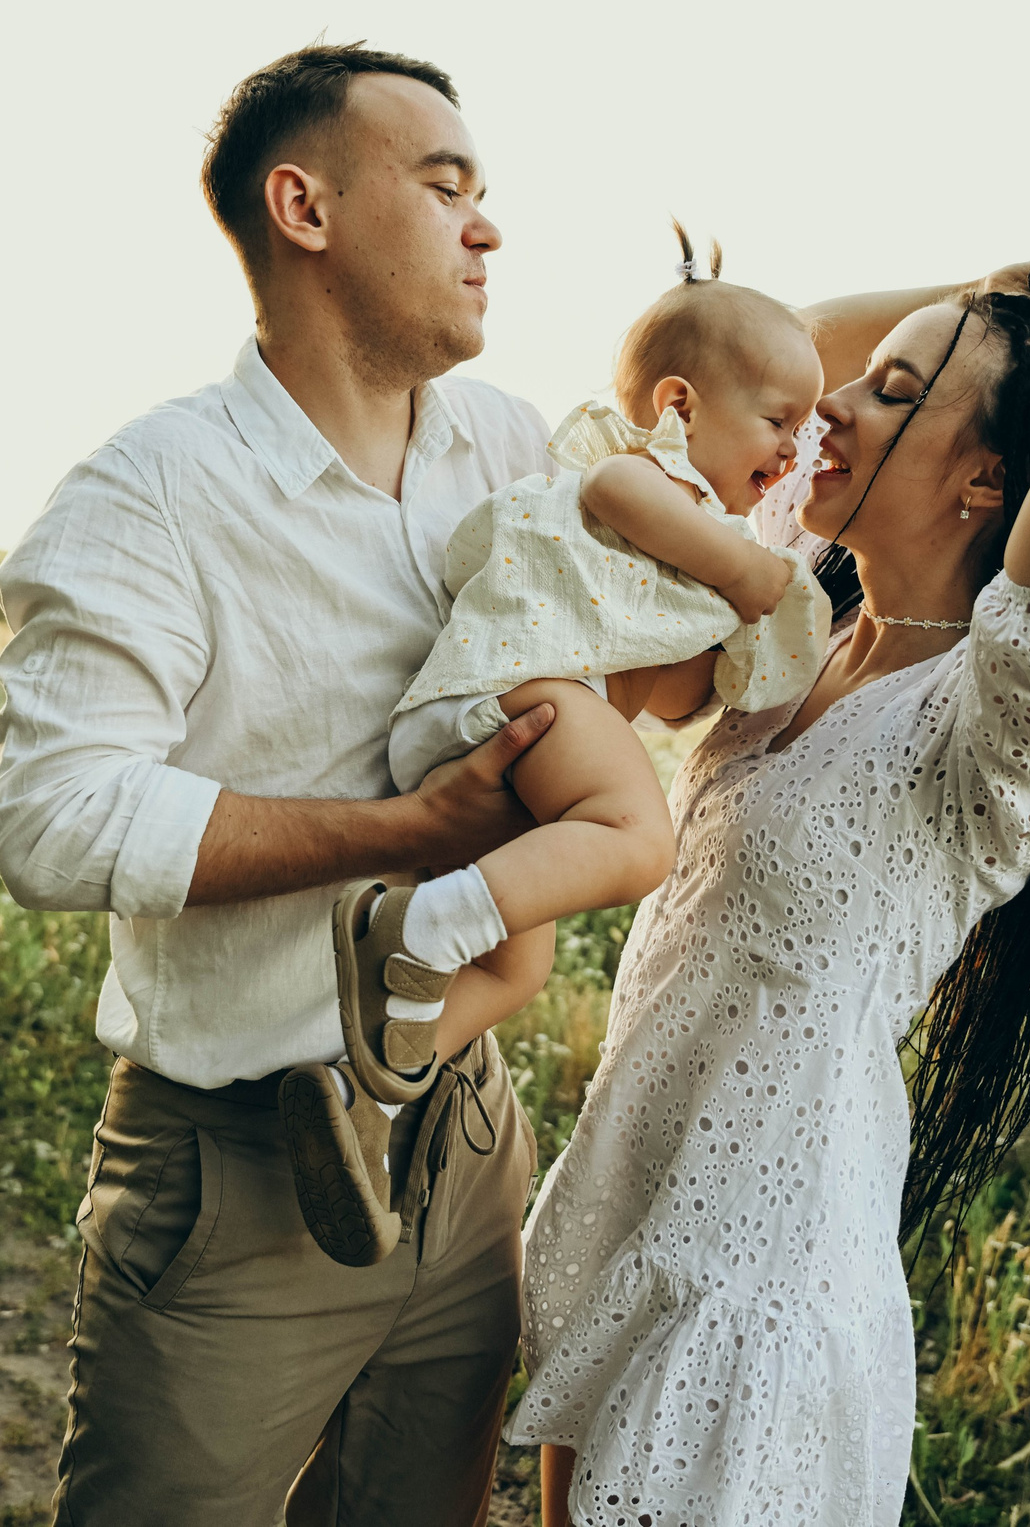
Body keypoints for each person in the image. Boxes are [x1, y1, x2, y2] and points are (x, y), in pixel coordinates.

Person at [0, 37, 1030, 1526]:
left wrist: (991, 294)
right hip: (242, 1168)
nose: (489, 227)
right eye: (444, 186)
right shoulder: (151, 493)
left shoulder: (512, 444)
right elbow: (52, 821)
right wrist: (407, 831)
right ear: (304, 207)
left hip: (467, 1151)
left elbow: (758, 359)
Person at [505, 266, 1030, 1527]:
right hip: (637, 1181)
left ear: (985, 480)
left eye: (892, 393)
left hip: (758, 1260)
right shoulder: (805, 614)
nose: (828, 408)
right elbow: (765, 355)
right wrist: (993, 288)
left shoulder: (998, 717)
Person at [283, 228, 836, 1270]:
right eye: (778, 420)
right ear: (678, 406)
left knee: (515, 966)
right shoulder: (644, 475)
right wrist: (744, 574)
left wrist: (719, 625)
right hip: (526, 691)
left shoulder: (687, 537)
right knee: (638, 839)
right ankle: (412, 926)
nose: (792, 450)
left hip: (514, 721)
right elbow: (613, 498)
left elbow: (667, 696)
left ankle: (359, 1100)